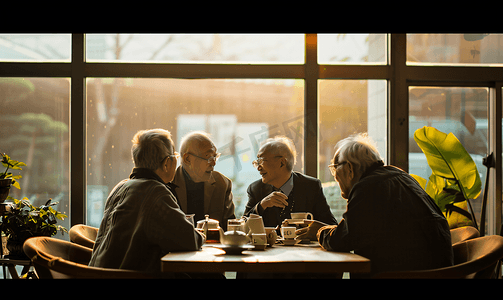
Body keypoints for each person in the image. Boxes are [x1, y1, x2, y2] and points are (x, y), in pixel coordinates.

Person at [297, 133, 454, 278]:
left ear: (349, 168)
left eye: (335, 171)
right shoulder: (401, 176)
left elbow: (342, 240)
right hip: (436, 273)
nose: (336, 178)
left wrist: (319, 231)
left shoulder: (368, 187)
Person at [89, 129, 205, 276]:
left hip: (99, 274)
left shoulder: (120, 187)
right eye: (175, 156)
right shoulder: (155, 193)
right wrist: (202, 234)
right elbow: (189, 241)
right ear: (166, 163)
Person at [243, 136, 337, 228]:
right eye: (257, 162)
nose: (258, 168)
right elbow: (243, 228)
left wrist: (311, 228)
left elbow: (331, 226)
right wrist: (262, 205)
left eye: (262, 161)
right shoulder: (256, 189)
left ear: (282, 163)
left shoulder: (311, 187)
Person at [171, 131, 235, 230]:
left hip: (213, 244)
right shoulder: (168, 183)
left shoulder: (222, 184)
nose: (213, 163)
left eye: (215, 156)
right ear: (187, 159)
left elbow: (229, 228)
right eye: (208, 157)